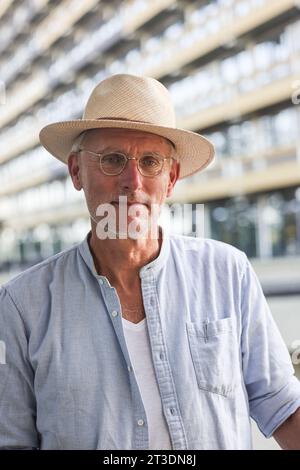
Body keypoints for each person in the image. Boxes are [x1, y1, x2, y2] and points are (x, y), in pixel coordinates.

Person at [0, 74, 299, 450]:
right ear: (76, 171)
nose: (133, 182)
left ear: (171, 178)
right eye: (112, 160)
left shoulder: (228, 273)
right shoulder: (21, 306)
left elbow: (285, 407)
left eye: (151, 162)